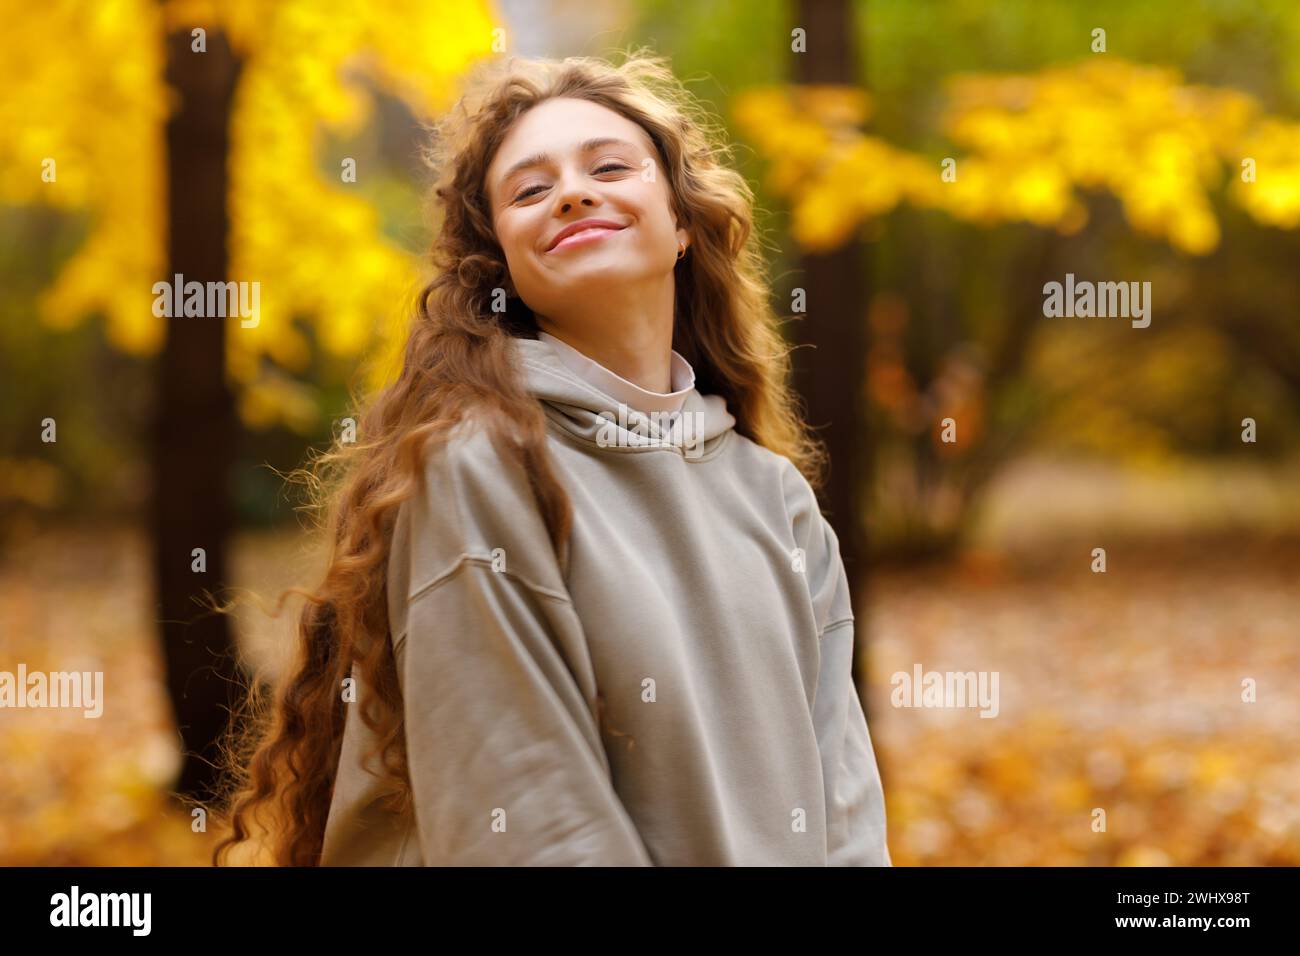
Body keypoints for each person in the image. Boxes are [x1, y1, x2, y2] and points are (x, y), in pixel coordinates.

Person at [212, 50, 890, 867]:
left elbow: (845, 806)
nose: (571, 191)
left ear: (681, 223)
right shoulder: (478, 467)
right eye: (530, 190)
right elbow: (532, 820)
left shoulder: (777, 498)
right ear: (501, 264)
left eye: (609, 166)